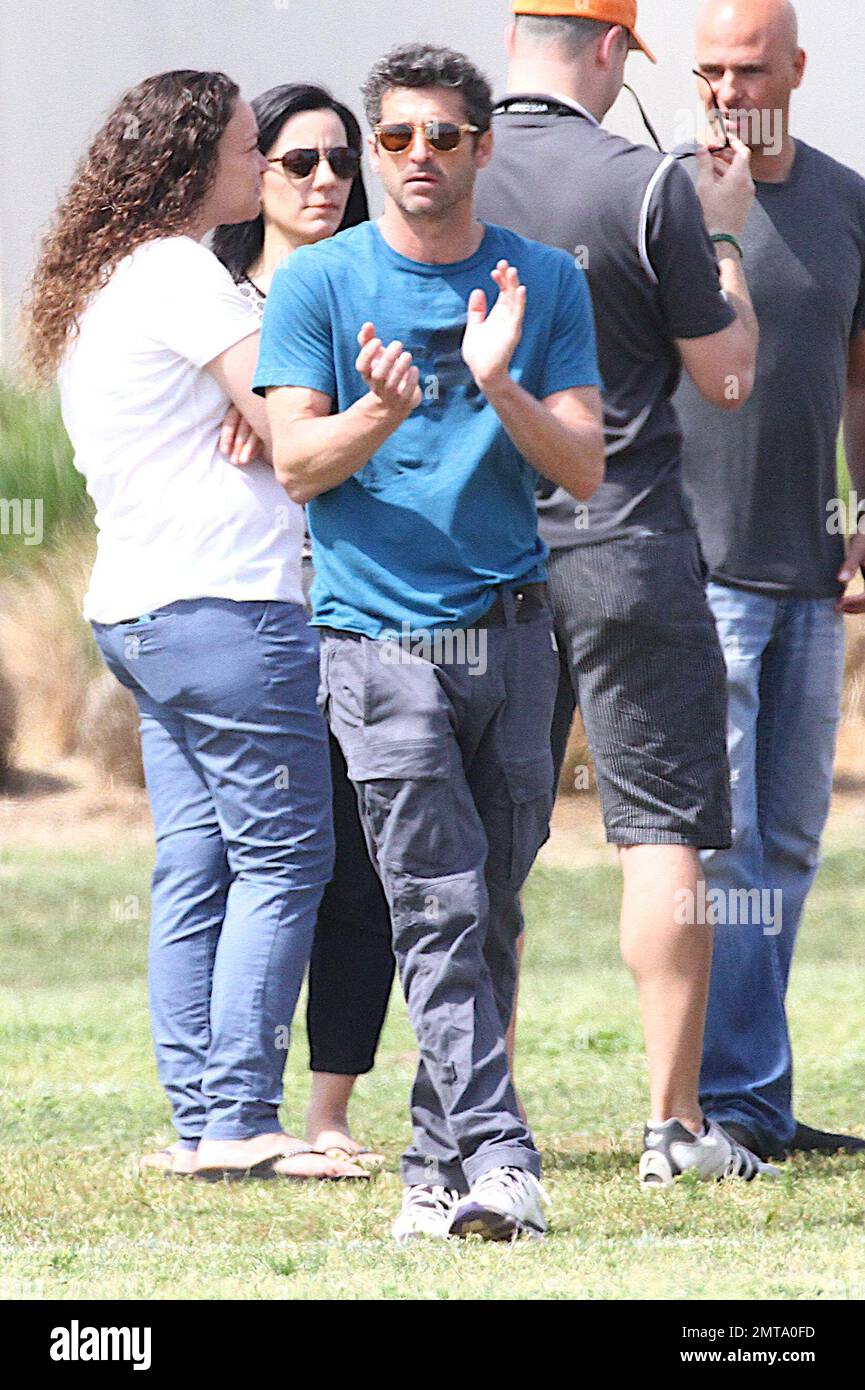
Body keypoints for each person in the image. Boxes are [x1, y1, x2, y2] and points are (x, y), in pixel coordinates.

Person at [253, 43, 606, 1240]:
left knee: (489, 907)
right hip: (378, 641)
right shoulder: (318, 283)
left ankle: (428, 1170)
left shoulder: (542, 280)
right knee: (437, 901)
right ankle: (503, 1156)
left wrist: (497, 383)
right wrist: (378, 411)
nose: (415, 158)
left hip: (512, 639)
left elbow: (583, 466)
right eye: (392, 139)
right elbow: (297, 466)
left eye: (441, 137)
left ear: (479, 147)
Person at [23, 69, 366, 1182]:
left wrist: (258, 412)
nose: (263, 165)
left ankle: (202, 1119)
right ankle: (240, 1121)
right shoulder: (181, 273)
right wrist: (369, 407)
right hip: (227, 608)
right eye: (244, 149)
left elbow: (258, 417)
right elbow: (294, 437)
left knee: (199, 867)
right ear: (187, 164)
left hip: (141, 612)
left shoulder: (113, 278)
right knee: (287, 857)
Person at [475, 1, 779, 1187]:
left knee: (487, 848)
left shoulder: (436, 169)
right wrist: (727, 239)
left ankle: (473, 1110)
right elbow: (731, 377)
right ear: (608, 50)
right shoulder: (649, 185)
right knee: (661, 834)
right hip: (628, 546)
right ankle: (672, 1124)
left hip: (480, 555)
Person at [674, 0, 865, 1162]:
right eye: (706, 70)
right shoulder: (667, 201)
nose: (724, 90)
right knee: (723, 843)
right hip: (701, 571)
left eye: (747, 68)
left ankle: (755, 1089)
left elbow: (857, 385)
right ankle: (728, 1097)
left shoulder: (847, 202)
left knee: (790, 840)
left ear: (797, 66)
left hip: (808, 574)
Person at [212, 82, 394, 1168]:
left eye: (340, 161)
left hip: (360, 611)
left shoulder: (378, 287)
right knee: (243, 867)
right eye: (298, 162)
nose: (325, 180)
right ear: (258, 177)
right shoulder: (216, 302)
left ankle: (326, 1112)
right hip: (245, 621)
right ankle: (225, 1103)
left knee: (355, 873)